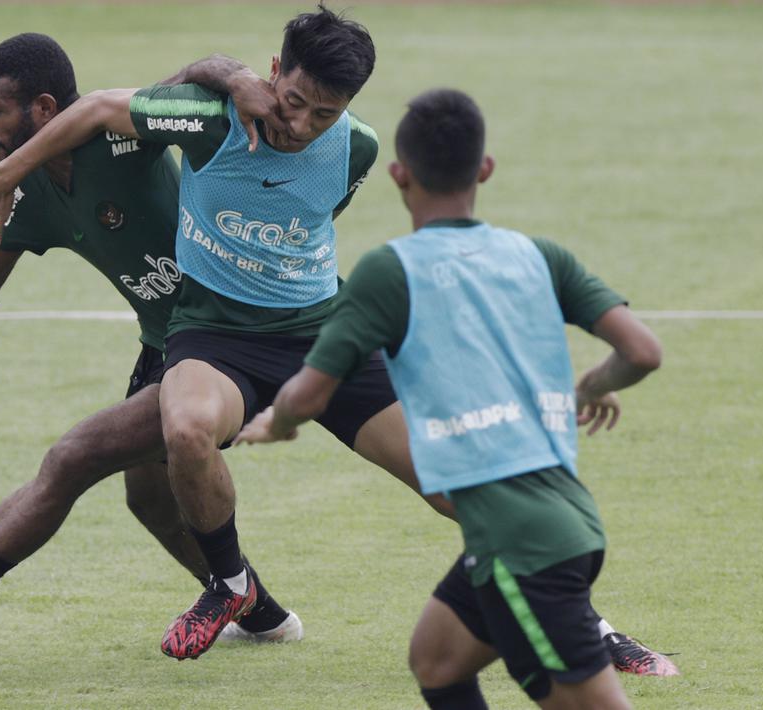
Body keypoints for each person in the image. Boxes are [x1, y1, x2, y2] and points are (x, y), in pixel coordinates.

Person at [0, 7, 678, 675]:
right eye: (292, 102)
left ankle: (592, 625)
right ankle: (231, 587)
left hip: (324, 341)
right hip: (216, 339)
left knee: (457, 487)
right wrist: (9, 174)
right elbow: (103, 107)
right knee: (186, 428)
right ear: (271, 72)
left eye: (323, 113)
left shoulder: (354, 148)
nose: (300, 124)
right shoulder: (207, 119)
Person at [0, 33, 303, 664]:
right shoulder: (31, 190)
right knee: (149, 498)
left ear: (44, 109)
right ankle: (263, 614)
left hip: (225, 344)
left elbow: (192, 73)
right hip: (166, 346)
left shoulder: (122, 137)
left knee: (73, 456)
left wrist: (238, 77)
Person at [234, 88, 667, 707]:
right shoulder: (537, 254)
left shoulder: (391, 270)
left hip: (521, 546)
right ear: (484, 169)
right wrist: (593, 385)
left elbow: (311, 387)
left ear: (398, 175)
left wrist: (277, 421)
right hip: (563, 518)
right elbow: (642, 351)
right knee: (436, 659)